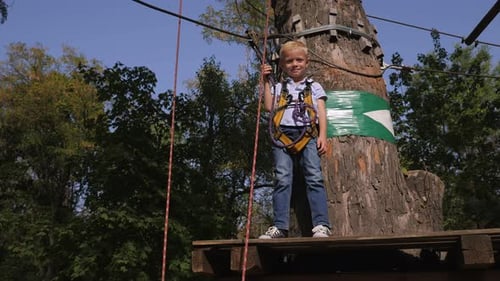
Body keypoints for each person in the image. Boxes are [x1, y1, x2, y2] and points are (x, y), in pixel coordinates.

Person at [259, 40, 331, 239]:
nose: (295, 64)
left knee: (314, 177)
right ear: (283, 65)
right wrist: (265, 81)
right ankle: (280, 226)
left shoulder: (314, 86)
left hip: (307, 134)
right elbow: (268, 106)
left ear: (306, 62)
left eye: (299, 60)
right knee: (282, 178)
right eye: (289, 61)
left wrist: (323, 135)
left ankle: (321, 224)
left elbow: (322, 113)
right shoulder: (279, 87)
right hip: (282, 135)